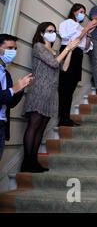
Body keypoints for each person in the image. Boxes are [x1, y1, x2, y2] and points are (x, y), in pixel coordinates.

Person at [23, 23, 79, 173]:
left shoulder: (54, 51)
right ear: (41, 33)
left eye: (54, 31)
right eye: (49, 31)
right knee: (34, 125)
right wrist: (67, 48)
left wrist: (71, 51)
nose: (53, 33)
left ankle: (33, 161)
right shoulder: (38, 47)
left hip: (51, 93)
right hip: (39, 90)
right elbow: (54, 63)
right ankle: (27, 161)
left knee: (41, 127)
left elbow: (64, 68)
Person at [58, 3, 97, 127]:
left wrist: (88, 33)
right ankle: (62, 118)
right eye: (81, 11)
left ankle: (66, 117)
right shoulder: (67, 23)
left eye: (84, 12)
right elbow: (70, 39)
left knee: (71, 88)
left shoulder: (80, 27)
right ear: (74, 11)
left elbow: (86, 47)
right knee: (65, 88)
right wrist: (85, 30)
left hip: (78, 55)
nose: (82, 14)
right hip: (69, 52)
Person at [0, 34, 33, 161]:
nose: (13, 52)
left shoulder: (5, 73)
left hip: (2, 124)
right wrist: (14, 88)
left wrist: (20, 89)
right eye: (9, 48)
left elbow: (9, 103)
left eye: (15, 49)